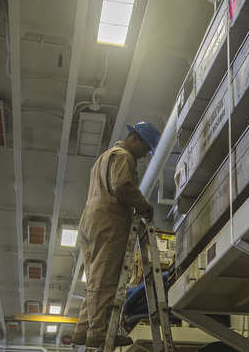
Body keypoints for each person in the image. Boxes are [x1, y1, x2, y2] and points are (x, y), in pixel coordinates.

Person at [72, 121, 161, 348]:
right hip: (109, 221)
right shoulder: (124, 156)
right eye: (145, 149)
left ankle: (83, 330)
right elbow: (122, 186)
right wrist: (144, 206)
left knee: (94, 277)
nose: (143, 156)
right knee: (106, 278)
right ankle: (98, 333)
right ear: (135, 138)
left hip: (89, 221)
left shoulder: (104, 157)